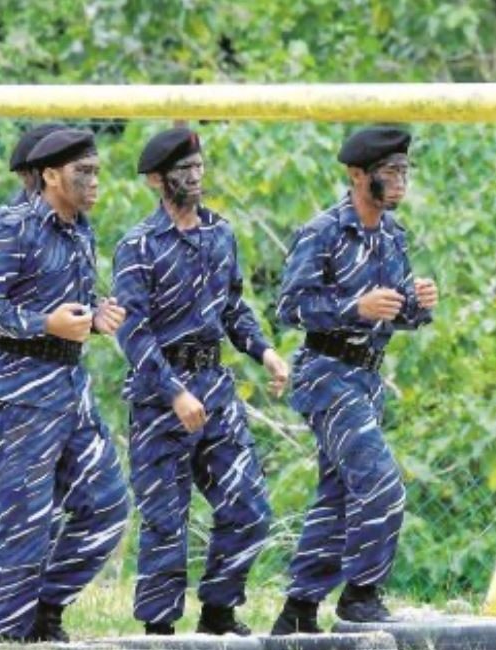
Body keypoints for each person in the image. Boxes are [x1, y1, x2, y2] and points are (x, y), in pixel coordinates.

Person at [115, 126, 287, 636]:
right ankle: (160, 631)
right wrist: (173, 392)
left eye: (198, 168)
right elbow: (133, 330)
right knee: (166, 524)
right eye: (182, 171)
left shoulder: (221, 234)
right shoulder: (139, 245)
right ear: (155, 180)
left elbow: (233, 306)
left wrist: (266, 352)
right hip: (160, 395)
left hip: (214, 386)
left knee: (249, 507)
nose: (194, 178)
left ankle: (219, 612)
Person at [0, 128, 130, 642]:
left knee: (106, 504)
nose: (95, 180)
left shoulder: (81, 229)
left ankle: (44, 607)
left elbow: (67, 300)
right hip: (18, 393)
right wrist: (44, 324)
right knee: (20, 521)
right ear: (51, 175)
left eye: (98, 170)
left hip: (69, 387)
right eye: (84, 171)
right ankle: (5, 629)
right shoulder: (13, 227)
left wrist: (95, 315)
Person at [270, 126, 437, 635]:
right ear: (358, 175)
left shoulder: (393, 235)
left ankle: (298, 611)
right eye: (391, 172)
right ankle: (361, 596)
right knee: (380, 484)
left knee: (339, 494)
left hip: (366, 379)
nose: (401, 181)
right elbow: (289, 307)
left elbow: (396, 315)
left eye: (405, 171)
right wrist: (353, 308)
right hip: (325, 374)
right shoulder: (322, 231)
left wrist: (417, 305)